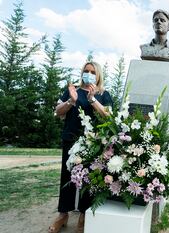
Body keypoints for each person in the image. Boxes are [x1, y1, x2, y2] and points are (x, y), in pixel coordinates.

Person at [48, 62, 113, 233]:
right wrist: (71, 100)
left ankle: (84, 215)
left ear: (98, 75)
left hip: (92, 142)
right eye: (86, 71)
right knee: (66, 177)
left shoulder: (103, 94)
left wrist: (92, 100)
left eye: (92, 72)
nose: (89, 74)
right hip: (70, 139)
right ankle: (63, 214)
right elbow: (57, 111)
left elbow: (109, 115)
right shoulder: (73, 90)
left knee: (89, 179)